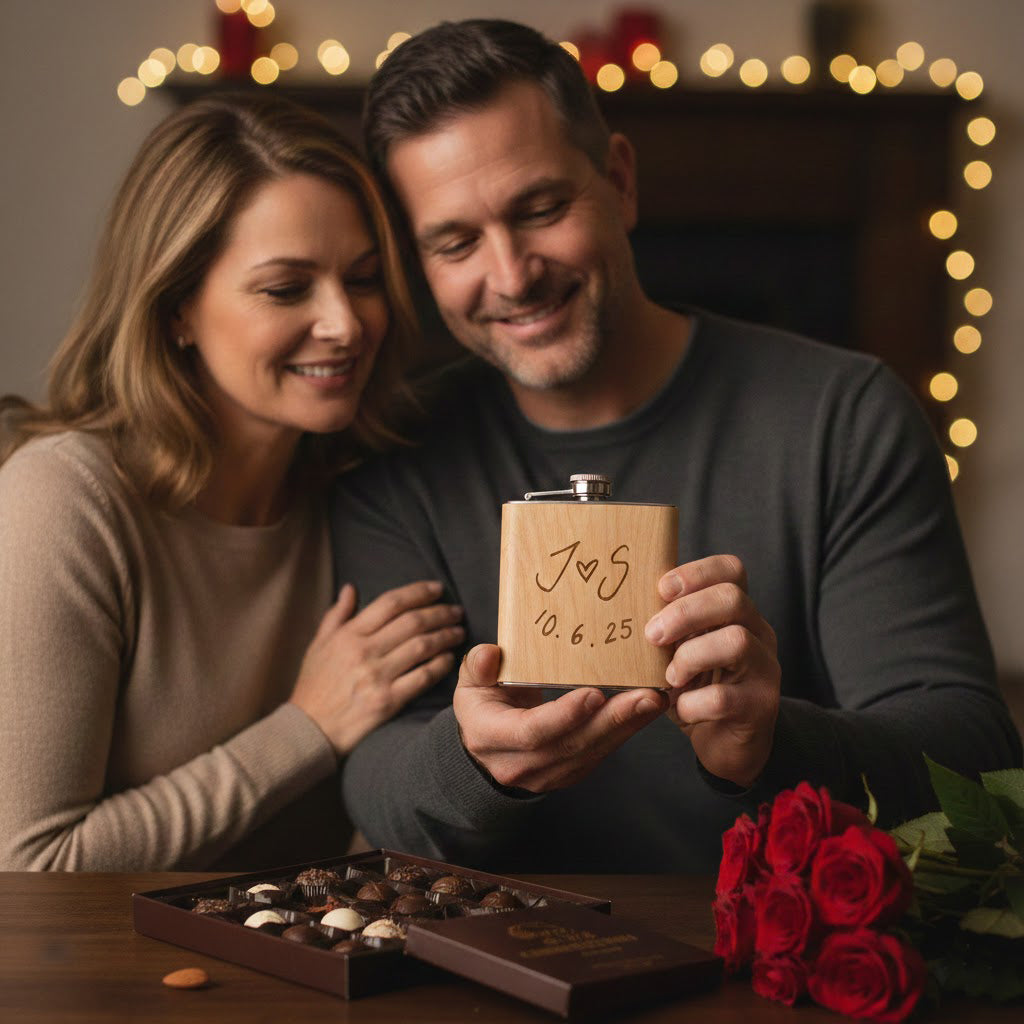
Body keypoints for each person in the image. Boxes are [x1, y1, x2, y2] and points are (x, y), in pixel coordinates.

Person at [331, 19, 1022, 873]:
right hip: (496, 944)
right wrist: (472, 764)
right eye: (456, 242)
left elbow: (977, 763)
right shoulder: (394, 451)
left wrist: (771, 742)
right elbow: (374, 775)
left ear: (619, 182)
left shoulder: (842, 416)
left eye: (541, 210)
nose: (510, 276)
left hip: (776, 942)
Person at [0, 94, 465, 871]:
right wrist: (308, 727)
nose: (346, 324)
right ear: (176, 308)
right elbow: (30, 867)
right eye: (286, 288)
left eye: (362, 278)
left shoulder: (371, 488)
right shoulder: (62, 504)